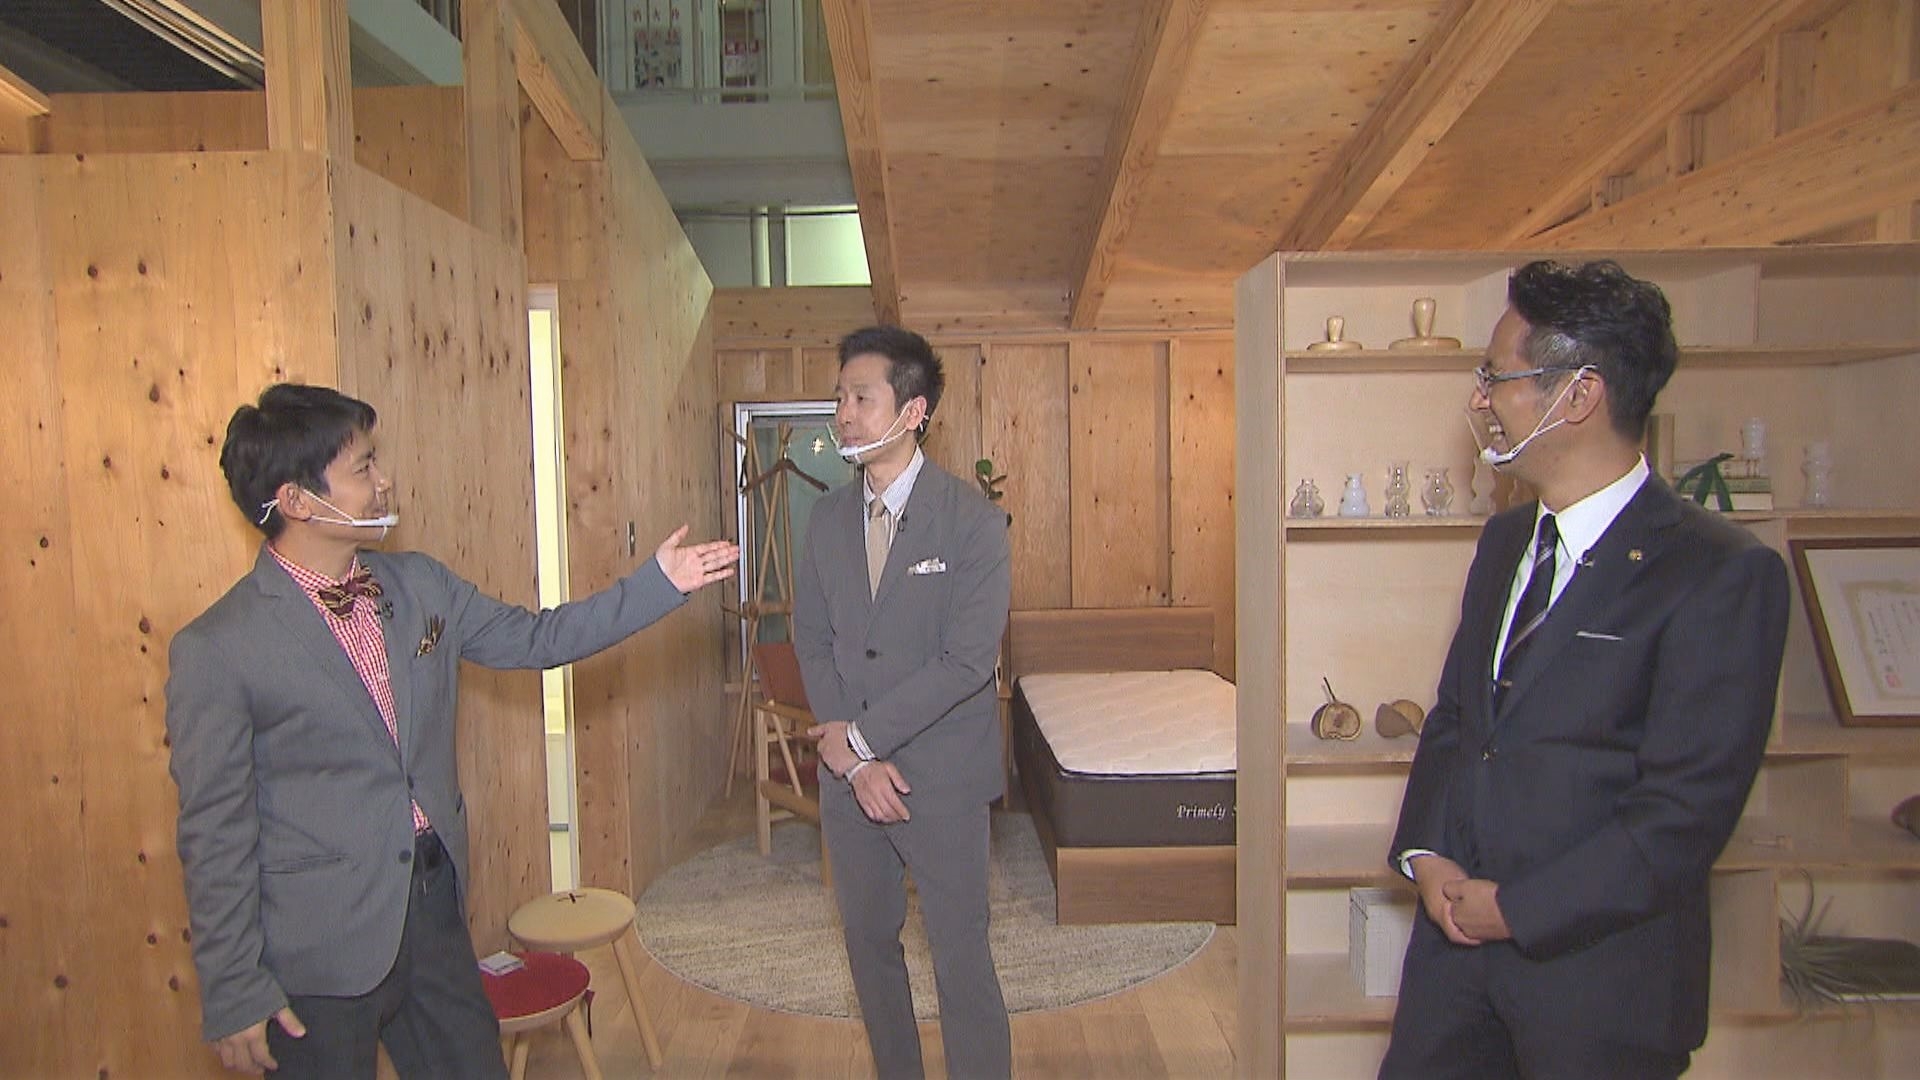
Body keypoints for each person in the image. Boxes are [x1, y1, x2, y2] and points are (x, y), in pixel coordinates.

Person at [165, 383, 738, 1077]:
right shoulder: (220, 648)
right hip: (316, 951)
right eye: (363, 468)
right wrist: (233, 986)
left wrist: (658, 584)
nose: (384, 481)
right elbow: (215, 832)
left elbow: (538, 638)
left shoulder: (420, 586)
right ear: (297, 501)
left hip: (432, 910)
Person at [1381, 260, 1790, 1080]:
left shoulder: (1717, 573)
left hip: (1601, 991)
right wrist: (1426, 855)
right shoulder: (1506, 541)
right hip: (1454, 976)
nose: (1480, 400)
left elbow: (1681, 814)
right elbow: (1459, 718)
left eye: (1496, 377)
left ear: (1578, 395)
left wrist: (1515, 910)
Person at [792, 325, 1013, 1079]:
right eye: (840, 397)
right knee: (868, 950)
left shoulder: (973, 523)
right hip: (850, 782)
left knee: (961, 960)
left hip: (942, 778)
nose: (844, 414)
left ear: (913, 411)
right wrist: (853, 762)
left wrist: (862, 741)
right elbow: (812, 642)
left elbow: (966, 662)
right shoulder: (825, 520)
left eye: (862, 397)